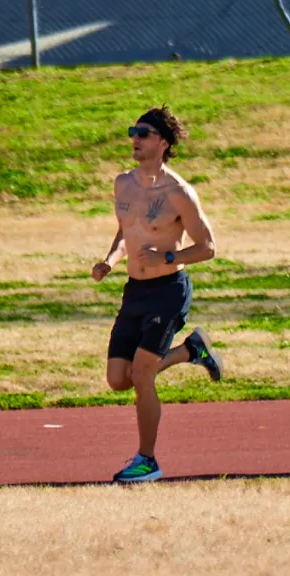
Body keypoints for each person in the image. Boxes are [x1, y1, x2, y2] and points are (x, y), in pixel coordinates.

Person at [92, 107, 223, 484]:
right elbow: (125, 232)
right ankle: (189, 350)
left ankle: (147, 460)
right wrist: (109, 261)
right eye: (133, 130)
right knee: (119, 378)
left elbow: (208, 247)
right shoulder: (123, 184)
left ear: (163, 143)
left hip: (168, 291)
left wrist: (169, 256)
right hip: (134, 290)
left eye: (144, 133)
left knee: (142, 374)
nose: (135, 138)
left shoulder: (179, 193)